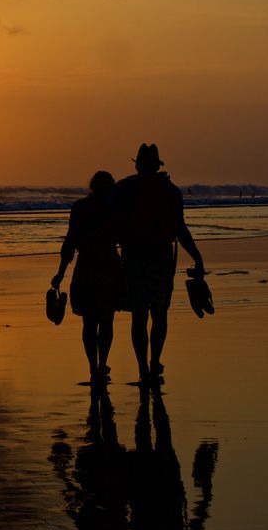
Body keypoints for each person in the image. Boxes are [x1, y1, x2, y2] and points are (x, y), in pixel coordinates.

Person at [111, 143, 204, 386]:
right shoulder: (171, 190)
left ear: (138, 164)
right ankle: (154, 362)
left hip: (134, 259)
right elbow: (180, 228)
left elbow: (111, 222)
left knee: (139, 317)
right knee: (159, 314)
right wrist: (196, 256)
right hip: (162, 259)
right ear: (157, 165)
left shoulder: (124, 188)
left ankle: (143, 367)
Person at [51, 171, 124, 384]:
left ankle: (94, 366)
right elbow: (125, 240)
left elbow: (70, 242)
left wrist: (61, 272)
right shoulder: (115, 209)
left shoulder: (80, 207)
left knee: (89, 321)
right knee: (106, 319)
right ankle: (101, 364)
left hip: (87, 266)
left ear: (91, 186)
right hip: (109, 265)